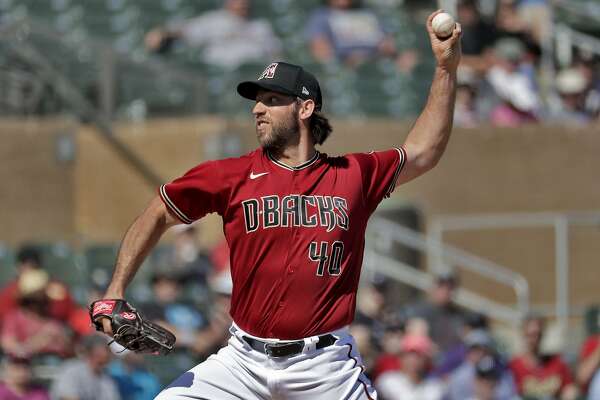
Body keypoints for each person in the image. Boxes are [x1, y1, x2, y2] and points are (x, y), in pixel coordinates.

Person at [93, 10, 462, 399]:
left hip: (325, 367)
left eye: (271, 99)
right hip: (242, 362)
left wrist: (445, 68)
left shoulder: (352, 174)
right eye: (257, 101)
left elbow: (423, 151)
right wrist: (114, 290)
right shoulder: (231, 175)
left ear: (305, 109)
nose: (257, 109)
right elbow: (158, 212)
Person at [144, 0, 281, 69]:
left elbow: (276, 55)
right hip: (218, 75)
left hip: (251, 75)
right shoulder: (214, 20)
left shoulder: (261, 27)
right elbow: (187, 32)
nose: (242, 3)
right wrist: (164, 33)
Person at [305, 0, 418, 72]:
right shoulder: (321, 15)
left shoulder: (368, 13)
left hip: (376, 64)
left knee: (409, 59)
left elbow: (387, 44)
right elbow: (321, 51)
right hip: (346, 66)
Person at [509, 314, 577, 400]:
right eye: (531, 335)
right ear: (523, 334)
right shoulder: (513, 366)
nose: (535, 339)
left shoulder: (557, 363)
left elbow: (569, 390)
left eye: (538, 334)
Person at [403, 270, 467, 354]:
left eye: (449, 287)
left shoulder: (459, 316)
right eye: (441, 286)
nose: (445, 291)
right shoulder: (415, 310)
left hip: (449, 359)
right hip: (421, 357)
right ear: (432, 287)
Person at [446, 329, 517, 400]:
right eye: (475, 349)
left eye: (484, 349)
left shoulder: (501, 371)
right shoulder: (460, 376)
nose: (480, 353)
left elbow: (508, 394)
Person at [49, 334, 120, 400]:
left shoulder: (106, 376)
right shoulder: (71, 369)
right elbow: (66, 397)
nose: (109, 352)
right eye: (106, 349)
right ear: (95, 350)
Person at [375, 334, 444, 400]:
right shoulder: (387, 380)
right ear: (400, 357)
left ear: (426, 359)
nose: (413, 360)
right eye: (408, 355)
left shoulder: (434, 386)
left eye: (418, 355)